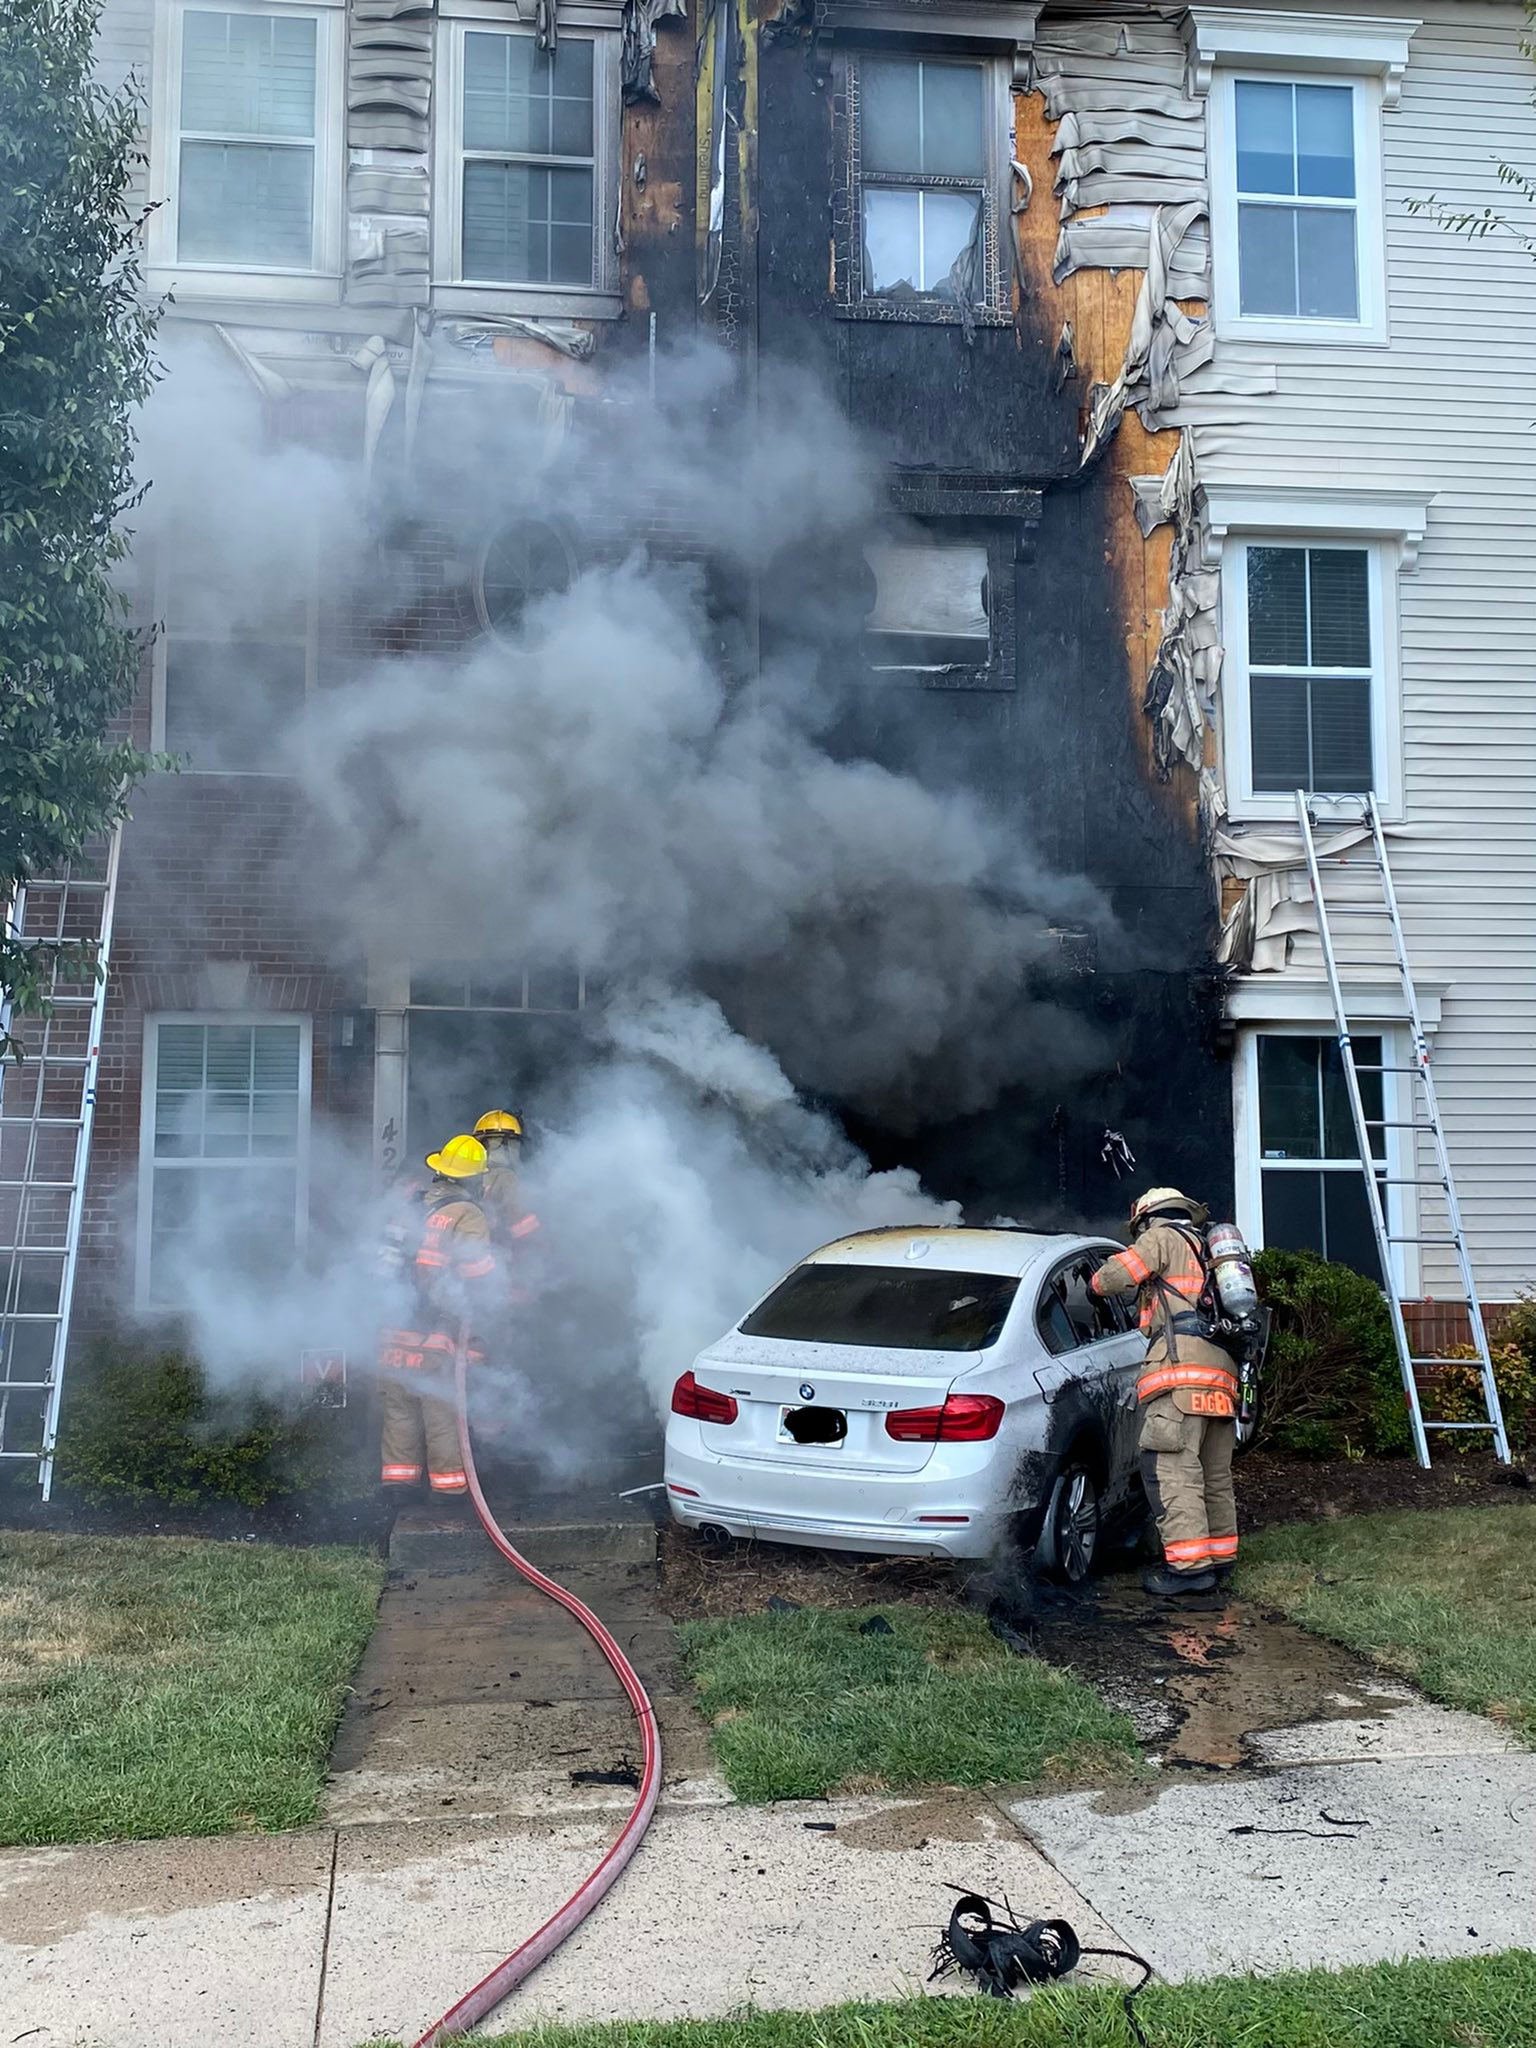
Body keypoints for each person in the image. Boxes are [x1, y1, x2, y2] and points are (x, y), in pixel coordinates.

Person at [1090, 1186, 1239, 1598]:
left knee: (1174, 1472)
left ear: (1146, 1219)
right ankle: (1221, 1558)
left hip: (1179, 1375)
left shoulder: (1161, 1237)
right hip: (1222, 1376)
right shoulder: (1211, 1250)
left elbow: (1112, 1279)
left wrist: (1094, 1284)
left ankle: (1190, 1570)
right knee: (1214, 1474)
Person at [377, 1133, 497, 1500]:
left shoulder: (409, 1206)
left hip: (394, 1328)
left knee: (399, 1409)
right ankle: (448, 1492)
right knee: (441, 1409)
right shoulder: (467, 1214)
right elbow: (478, 1275)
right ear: (473, 1179)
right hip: (437, 1330)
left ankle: (398, 1488)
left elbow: (380, 1265)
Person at [473, 1109, 541, 1251]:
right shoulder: (507, 1177)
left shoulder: (468, 1172)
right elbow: (520, 1220)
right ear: (510, 1145)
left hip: (476, 1247)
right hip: (502, 1249)